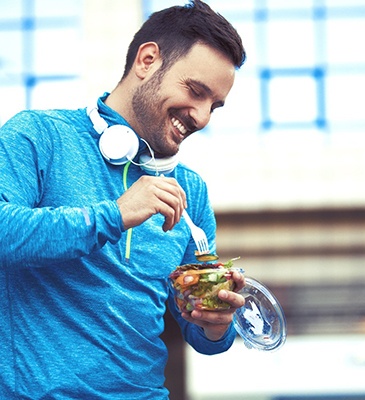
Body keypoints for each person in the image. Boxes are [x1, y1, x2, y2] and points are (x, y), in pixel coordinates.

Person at [0, 1, 246, 398]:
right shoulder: (38, 136)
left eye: (213, 106)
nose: (202, 117)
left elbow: (199, 333)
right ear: (147, 60)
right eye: (196, 91)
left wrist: (215, 324)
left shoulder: (191, 192)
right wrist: (114, 214)